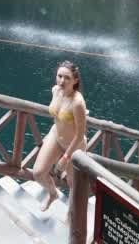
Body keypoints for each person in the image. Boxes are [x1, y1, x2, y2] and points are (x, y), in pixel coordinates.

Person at [32, 60, 87, 212]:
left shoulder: (77, 103)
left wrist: (65, 157)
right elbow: (57, 115)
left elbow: (80, 134)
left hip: (74, 145)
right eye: (59, 76)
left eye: (67, 78)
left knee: (72, 183)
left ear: (75, 80)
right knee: (38, 173)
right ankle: (53, 194)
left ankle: (72, 213)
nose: (62, 81)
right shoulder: (55, 90)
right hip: (56, 136)